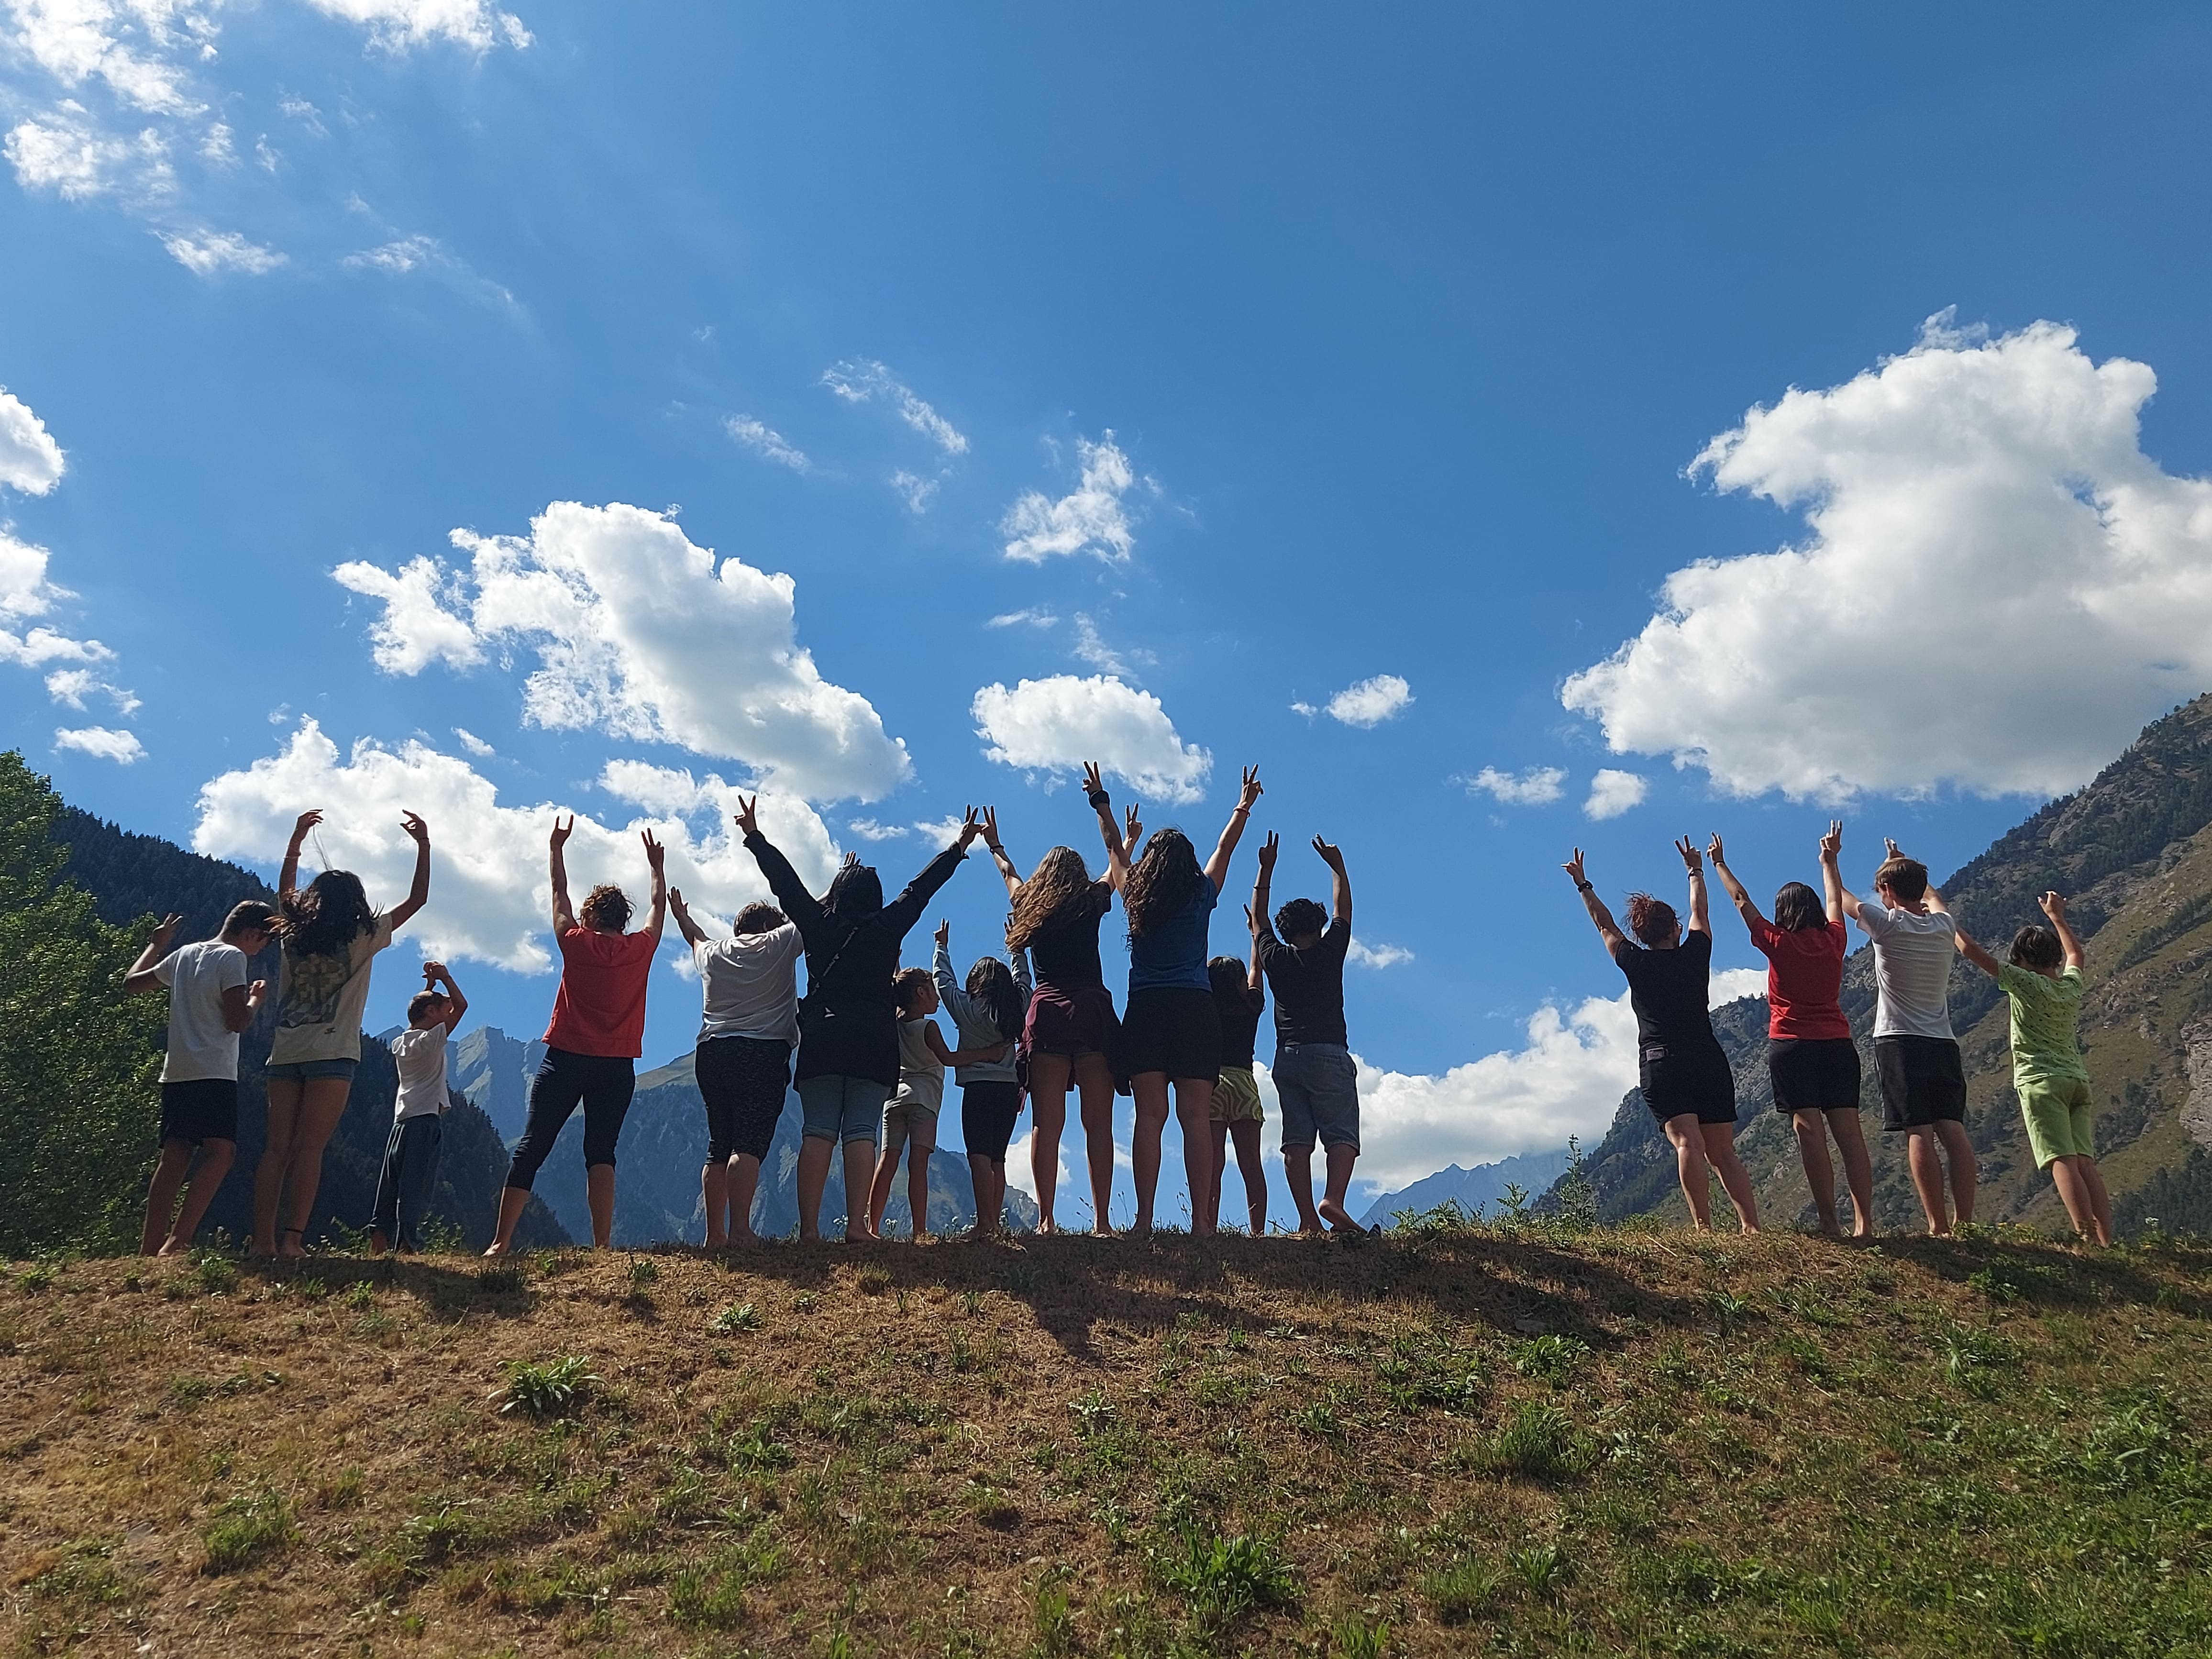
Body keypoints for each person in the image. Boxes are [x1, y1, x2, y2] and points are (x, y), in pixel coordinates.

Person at [741, 795, 983, 1241]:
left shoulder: (817, 923)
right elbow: (920, 891)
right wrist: (957, 846)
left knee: (817, 1132)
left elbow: (787, 886)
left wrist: (755, 837)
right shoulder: (887, 928)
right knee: (860, 1132)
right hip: (874, 1040)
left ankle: (810, 1231)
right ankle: (857, 1227)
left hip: (823, 1036)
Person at [257, 809, 431, 1258]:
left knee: (276, 1149)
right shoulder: (364, 936)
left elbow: (285, 893)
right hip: (333, 1053)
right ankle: (293, 1240)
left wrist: (296, 841)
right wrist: (424, 846)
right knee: (311, 1147)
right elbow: (417, 902)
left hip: (286, 1048)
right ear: (357, 900)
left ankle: (262, 1242)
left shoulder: (290, 935)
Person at [487, 818, 666, 1255]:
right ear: (622, 921)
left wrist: (556, 847)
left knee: (533, 1145)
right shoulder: (640, 949)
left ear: (589, 917)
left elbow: (557, 891)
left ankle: (500, 1242)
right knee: (601, 1153)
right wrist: (657, 865)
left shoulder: (574, 941)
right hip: (616, 1066)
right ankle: (602, 1245)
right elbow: (659, 907)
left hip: (565, 1057)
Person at [1565, 841, 1760, 1234]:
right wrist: (1695, 870)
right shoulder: (1696, 954)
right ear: (1675, 929)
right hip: (1707, 1058)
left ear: (1639, 935)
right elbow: (1700, 912)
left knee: (1688, 1144)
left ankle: (1703, 1228)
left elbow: (1605, 926)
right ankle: (1751, 1226)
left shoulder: (1635, 962)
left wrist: (1584, 885)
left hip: (1662, 1062)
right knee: (1723, 1151)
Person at [984, 779, 1137, 1234]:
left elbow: (1009, 872)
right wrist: (1118, 829)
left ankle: (1047, 1219)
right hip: (1091, 1012)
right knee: (1098, 1126)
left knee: (1045, 1124)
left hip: (1047, 1013)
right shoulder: (1091, 901)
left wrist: (995, 843)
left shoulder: (1029, 903)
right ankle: (1103, 1221)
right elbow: (1115, 865)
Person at [1708, 826, 1874, 1239]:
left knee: (1810, 1133)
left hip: (1792, 1046)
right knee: (1850, 1135)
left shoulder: (1777, 942)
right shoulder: (1835, 940)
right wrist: (1830, 860)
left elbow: (1741, 900)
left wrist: (1719, 864)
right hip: (1838, 1044)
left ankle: (1829, 1223)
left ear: (1783, 913)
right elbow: (1836, 900)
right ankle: (1865, 1224)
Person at [1123, 765, 1264, 1237]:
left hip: (1145, 1008)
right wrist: (1242, 807)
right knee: (1194, 1121)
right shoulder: (1201, 892)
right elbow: (1225, 849)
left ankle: (1143, 1219)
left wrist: (1114, 823)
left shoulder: (1133, 898)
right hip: (1194, 1010)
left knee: (1149, 1117)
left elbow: (1111, 853)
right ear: (1186, 862)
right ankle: (1202, 1223)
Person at [1828, 834, 1974, 1237]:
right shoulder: (1945, 927)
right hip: (1943, 1040)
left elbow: (1840, 898)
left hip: (1900, 1040)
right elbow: (1936, 897)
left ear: (1888, 892)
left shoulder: (1886, 925)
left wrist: (1830, 860)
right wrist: (1899, 862)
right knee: (1953, 1129)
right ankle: (1965, 1220)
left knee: (1919, 1131)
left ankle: (1937, 1225)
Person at [1951, 892, 2110, 1245]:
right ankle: (2105, 1240)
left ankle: (2085, 1240)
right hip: (2076, 1080)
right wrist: (2057, 916)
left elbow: (1971, 952)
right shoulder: (2069, 987)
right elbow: (2077, 955)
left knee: (2061, 1161)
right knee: (2086, 1163)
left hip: (2040, 1081)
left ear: (2021, 959)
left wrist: (1946, 918)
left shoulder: (2024, 982)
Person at [124, 900, 276, 1255]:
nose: (257, 952)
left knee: (175, 1154)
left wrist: (157, 943)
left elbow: (131, 984)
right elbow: (236, 1022)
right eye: (262, 943)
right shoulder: (232, 958)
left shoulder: (184, 955)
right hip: (213, 1070)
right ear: (252, 934)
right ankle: (178, 1241)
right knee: (221, 1153)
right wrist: (255, 1001)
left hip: (177, 1069)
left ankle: (149, 1248)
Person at [669, 883, 802, 1247]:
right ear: (766, 928)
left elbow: (694, 938)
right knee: (748, 1144)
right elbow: (813, 911)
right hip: (761, 1051)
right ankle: (742, 1230)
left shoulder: (713, 953)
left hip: (711, 1052)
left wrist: (682, 916)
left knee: (719, 1144)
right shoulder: (777, 943)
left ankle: (715, 1235)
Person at [1253, 831, 1364, 1235]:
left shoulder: (1275, 958)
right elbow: (1344, 911)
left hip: (1288, 1058)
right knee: (1341, 1134)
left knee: (1296, 1139)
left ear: (1285, 931)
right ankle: (1333, 1201)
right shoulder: (1331, 951)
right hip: (1330, 1054)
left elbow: (1259, 921)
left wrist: (1266, 869)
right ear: (1317, 926)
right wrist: (1338, 867)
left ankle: (1306, 1222)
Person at [867, 967, 1008, 1239]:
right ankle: (919, 1231)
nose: (938, 998)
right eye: (932, 990)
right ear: (921, 993)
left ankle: (871, 1227)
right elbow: (949, 1058)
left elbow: (898, 983)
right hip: (924, 1101)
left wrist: (896, 966)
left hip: (894, 1099)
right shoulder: (929, 1027)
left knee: (887, 1160)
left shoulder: (896, 1022)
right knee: (918, 1164)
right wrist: (988, 1053)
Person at [933, 919, 1032, 1240]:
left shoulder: (967, 1009)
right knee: (998, 1158)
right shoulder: (1015, 1009)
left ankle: (984, 1223)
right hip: (1008, 1089)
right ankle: (996, 1223)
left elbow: (943, 984)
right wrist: (1017, 949)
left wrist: (941, 947)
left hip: (977, 1089)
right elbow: (1025, 982)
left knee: (978, 1156)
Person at [369, 962, 467, 1255]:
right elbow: (461, 1006)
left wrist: (429, 989)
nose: (446, 1011)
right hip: (425, 1121)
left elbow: (420, 1011)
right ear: (431, 1015)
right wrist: (445, 977)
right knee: (416, 1186)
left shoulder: (401, 1043)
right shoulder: (432, 1040)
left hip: (402, 1121)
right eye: (440, 1009)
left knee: (391, 1184)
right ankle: (407, 1243)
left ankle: (379, 1238)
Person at [1205, 921, 1267, 1236]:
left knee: (1212, 1165)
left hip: (1212, 1083)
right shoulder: (1251, 1006)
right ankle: (1258, 1231)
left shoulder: (1205, 1009)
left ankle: (1208, 1226)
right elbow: (1258, 971)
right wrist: (1256, 937)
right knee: (1251, 1165)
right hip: (1244, 1082)